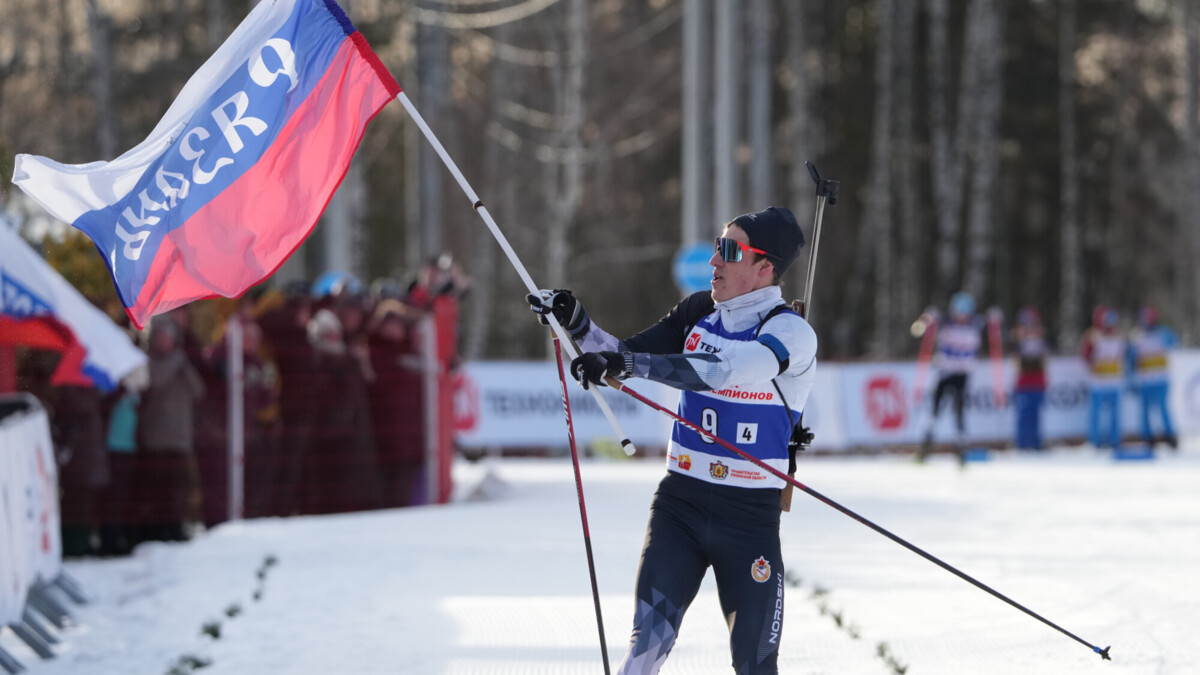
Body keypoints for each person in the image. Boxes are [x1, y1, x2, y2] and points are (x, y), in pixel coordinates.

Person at [529, 206, 816, 674]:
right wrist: (576, 324)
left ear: (765, 268)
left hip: (748, 520)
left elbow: (723, 372)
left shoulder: (789, 332)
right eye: (716, 247)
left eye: (729, 250)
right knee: (644, 651)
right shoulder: (699, 311)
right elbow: (624, 356)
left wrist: (627, 366)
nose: (713, 262)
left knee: (756, 665)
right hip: (679, 507)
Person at [918, 291, 983, 462]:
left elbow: (993, 327)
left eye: (965, 313)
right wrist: (927, 319)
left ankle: (961, 449)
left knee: (960, 411)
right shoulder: (946, 323)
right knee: (935, 410)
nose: (962, 317)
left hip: (962, 375)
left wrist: (995, 321)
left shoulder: (975, 325)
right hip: (944, 373)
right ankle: (925, 447)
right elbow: (923, 326)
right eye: (959, 313)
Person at [1128, 305, 1177, 449]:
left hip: (1161, 379)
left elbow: (1173, 342)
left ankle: (1170, 435)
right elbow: (1131, 359)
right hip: (1144, 380)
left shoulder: (1163, 332)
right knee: (1144, 411)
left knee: (1163, 408)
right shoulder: (1136, 336)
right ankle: (1148, 437)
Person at [1079, 305, 1126, 450]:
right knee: (1096, 413)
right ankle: (1095, 441)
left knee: (1115, 414)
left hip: (1115, 381)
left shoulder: (1118, 336)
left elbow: (1124, 355)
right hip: (1098, 381)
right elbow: (1085, 355)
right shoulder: (1093, 336)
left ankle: (1114, 440)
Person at [1011, 307, 1049, 450]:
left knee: (1036, 416)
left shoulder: (1042, 341)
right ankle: (1022, 443)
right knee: (1023, 415)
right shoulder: (1017, 342)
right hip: (1023, 384)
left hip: (1038, 383)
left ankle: (1036, 442)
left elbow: (1045, 361)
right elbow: (1015, 361)